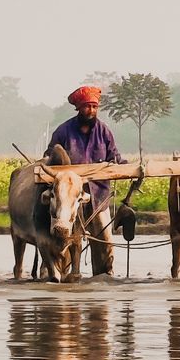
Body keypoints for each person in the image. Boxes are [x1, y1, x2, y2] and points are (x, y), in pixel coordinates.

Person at [45, 85, 125, 276]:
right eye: (87, 106)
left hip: (98, 194)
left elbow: (114, 157)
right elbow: (50, 156)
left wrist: (129, 168)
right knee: (64, 238)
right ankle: (62, 273)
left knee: (106, 241)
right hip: (68, 198)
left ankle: (104, 275)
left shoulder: (104, 132)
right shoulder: (64, 131)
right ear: (79, 108)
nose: (91, 110)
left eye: (94, 107)